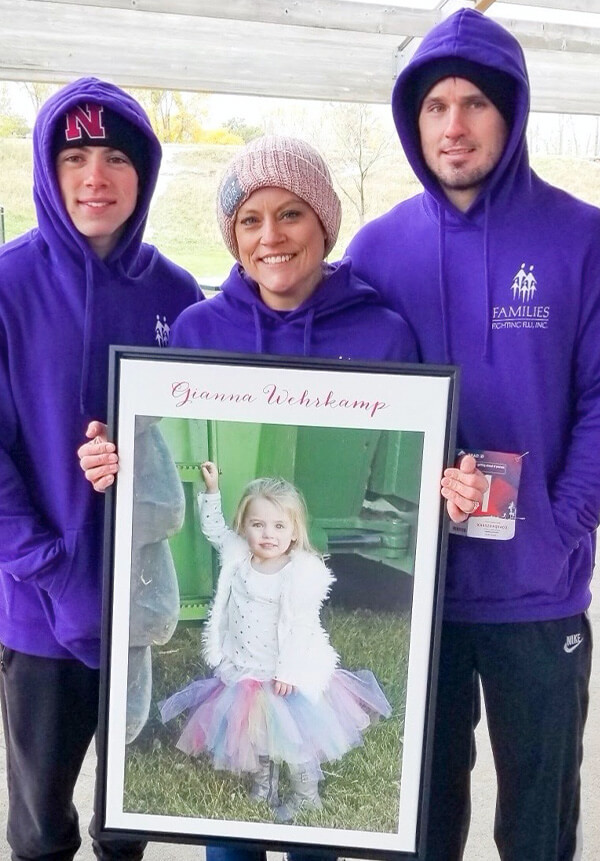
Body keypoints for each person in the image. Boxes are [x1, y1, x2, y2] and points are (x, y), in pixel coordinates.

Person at [346, 8, 600, 859]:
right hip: (417, 593)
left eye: (475, 103)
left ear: (513, 110)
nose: (454, 126)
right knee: (419, 826)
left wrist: (560, 528)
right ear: (412, 121)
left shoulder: (581, 238)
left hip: (539, 594)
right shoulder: (379, 249)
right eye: (434, 107)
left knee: (538, 827)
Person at [0, 77, 200, 861]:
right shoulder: (8, 285)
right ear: (49, 172)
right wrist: (52, 567)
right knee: (41, 823)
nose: (95, 177)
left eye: (116, 157)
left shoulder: (177, 295)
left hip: (141, 609)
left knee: (127, 821)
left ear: (143, 173)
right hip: (39, 611)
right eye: (75, 155)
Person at [160, 461, 391, 821]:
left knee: (293, 736)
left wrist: (289, 672)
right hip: (247, 664)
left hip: (284, 671)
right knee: (256, 731)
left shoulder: (299, 573)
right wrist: (212, 491)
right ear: (244, 527)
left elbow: (301, 628)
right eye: (258, 525)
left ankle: (305, 792)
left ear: (295, 532)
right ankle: (264, 782)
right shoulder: (239, 555)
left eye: (279, 526)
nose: (268, 534)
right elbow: (213, 529)